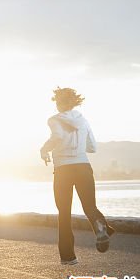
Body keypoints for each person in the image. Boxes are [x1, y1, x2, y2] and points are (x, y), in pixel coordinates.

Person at [40, 87, 114, 265]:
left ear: (61, 103)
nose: (57, 105)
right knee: (89, 206)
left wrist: (44, 149)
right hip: (83, 166)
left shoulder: (53, 120)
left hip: (64, 170)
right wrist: (79, 147)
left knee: (64, 212)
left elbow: (57, 136)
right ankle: (100, 227)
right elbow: (93, 147)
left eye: (57, 101)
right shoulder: (83, 120)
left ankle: (68, 257)